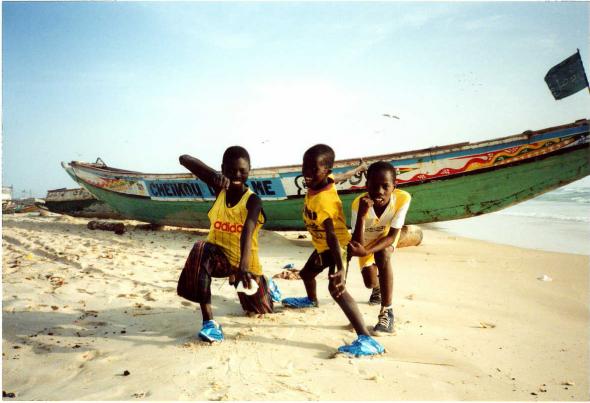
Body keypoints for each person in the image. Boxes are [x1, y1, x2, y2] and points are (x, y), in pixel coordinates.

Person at [281, 144, 384, 356]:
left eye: (313, 169)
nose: (307, 174)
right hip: (322, 247)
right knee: (307, 274)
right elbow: (340, 178)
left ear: (326, 170)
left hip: (337, 247)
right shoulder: (323, 181)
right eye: (305, 167)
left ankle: (366, 338)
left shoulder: (324, 201)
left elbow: (333, 236)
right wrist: (358, 170)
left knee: (337, 289)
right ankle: (311, 300)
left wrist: (339, 267)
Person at [177, 146, 278, 343]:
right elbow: (184, 158)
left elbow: (247, 233)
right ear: (223, 169)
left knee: (260, 310)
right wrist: (213, 176)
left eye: (243, 170)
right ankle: (210, 323)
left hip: (245, 264)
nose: (237, 175)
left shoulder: (254, 201)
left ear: (250, 170)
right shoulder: (219, 189)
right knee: (200, 248)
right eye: (231, 171)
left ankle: (267, 284)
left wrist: (243, 268)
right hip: (219, 259)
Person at [348, 161, 411, 336]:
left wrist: (367, 251)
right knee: (369, 282)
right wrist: (362, 215)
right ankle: (378, 288)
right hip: (365, 241)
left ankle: (387, 312)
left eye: (386, 186)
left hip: (385, 238)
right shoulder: (357, 204)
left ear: (394, 186)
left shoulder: (403, 199)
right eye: (374, 186)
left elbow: (391, 237)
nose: (380, 192)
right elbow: (357, 244)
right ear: (366, 185)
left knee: (383, 254)